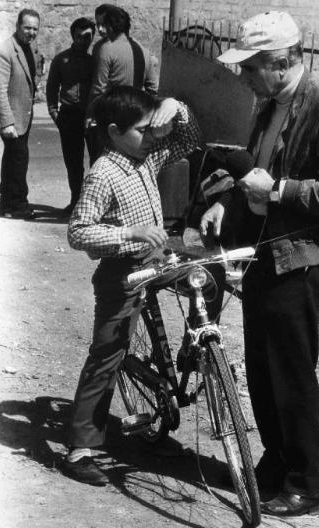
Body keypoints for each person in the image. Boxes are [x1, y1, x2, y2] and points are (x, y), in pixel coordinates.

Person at [200, 11, 319, 517]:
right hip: (263, 251)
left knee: (290, 373)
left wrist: (280, 191)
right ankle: (273, 462)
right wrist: (226, 199)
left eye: (249, 67)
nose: (243, 77)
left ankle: (304, 484)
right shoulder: (269, 104)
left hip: (301, 259)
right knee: (261, 369)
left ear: (279, 62)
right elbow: (254, 168)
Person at [64, 86, 201, 486]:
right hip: (121, 271)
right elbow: (78, 233)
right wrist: (131, 233)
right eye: (144, 129)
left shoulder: (147, 155)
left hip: (157, 260)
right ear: (114, 131)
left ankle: (190, 356)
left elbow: (190, 139)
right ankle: (79, 449)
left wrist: (178, 107)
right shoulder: (104, 173)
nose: (153, 137)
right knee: (107, 354)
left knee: (206, 280)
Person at [87, 5, 158, 162]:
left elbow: (98, 88)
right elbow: (153, 88)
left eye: (103, 25)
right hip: (137, 117)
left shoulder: (106, 49)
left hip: (111, 115)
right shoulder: (144, 51)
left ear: (110, 27)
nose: (100, 29)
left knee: (104, 161)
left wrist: (89, 115)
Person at [46, 17, 96, 216]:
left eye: (88, 37)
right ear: (73, 36)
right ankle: (75, 200)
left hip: (91, 116)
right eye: (80, 37)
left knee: (96, 160)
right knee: (73, 162)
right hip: (69, 116)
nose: (85, 41)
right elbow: (51, 87)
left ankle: (91, 204)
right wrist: (54, 113)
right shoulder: (61, 59)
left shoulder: (96, 60)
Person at [0, 8, 41, 220]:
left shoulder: (30, 47)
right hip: (12, 118)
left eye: (35, 29)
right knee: (18, 158)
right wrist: (6, 122)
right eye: (27, 28)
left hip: (24, 114)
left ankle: (7, 203)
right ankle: (16, 204)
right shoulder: (5, 50)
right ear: (17, 26)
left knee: (14, 159)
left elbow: (34, 71)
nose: (31, 32)